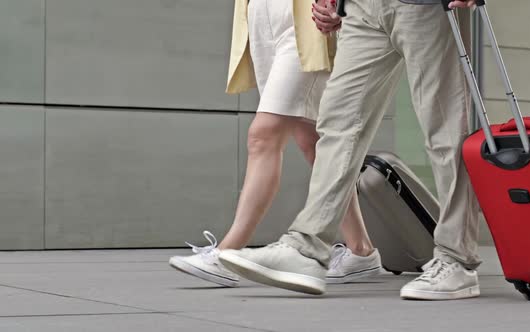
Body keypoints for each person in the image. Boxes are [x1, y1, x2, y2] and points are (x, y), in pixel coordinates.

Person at [218, 0, 484, 300]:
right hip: (362, 9)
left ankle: (456, 260)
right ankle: (308, 248)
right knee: (336, 123)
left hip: (426, 6)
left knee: (444, 132)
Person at [168, 0, 382, 288]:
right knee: (313, 142)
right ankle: (361, 251)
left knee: (264, 134)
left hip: (306, 20)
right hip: (262, 18)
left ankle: (227, 253)